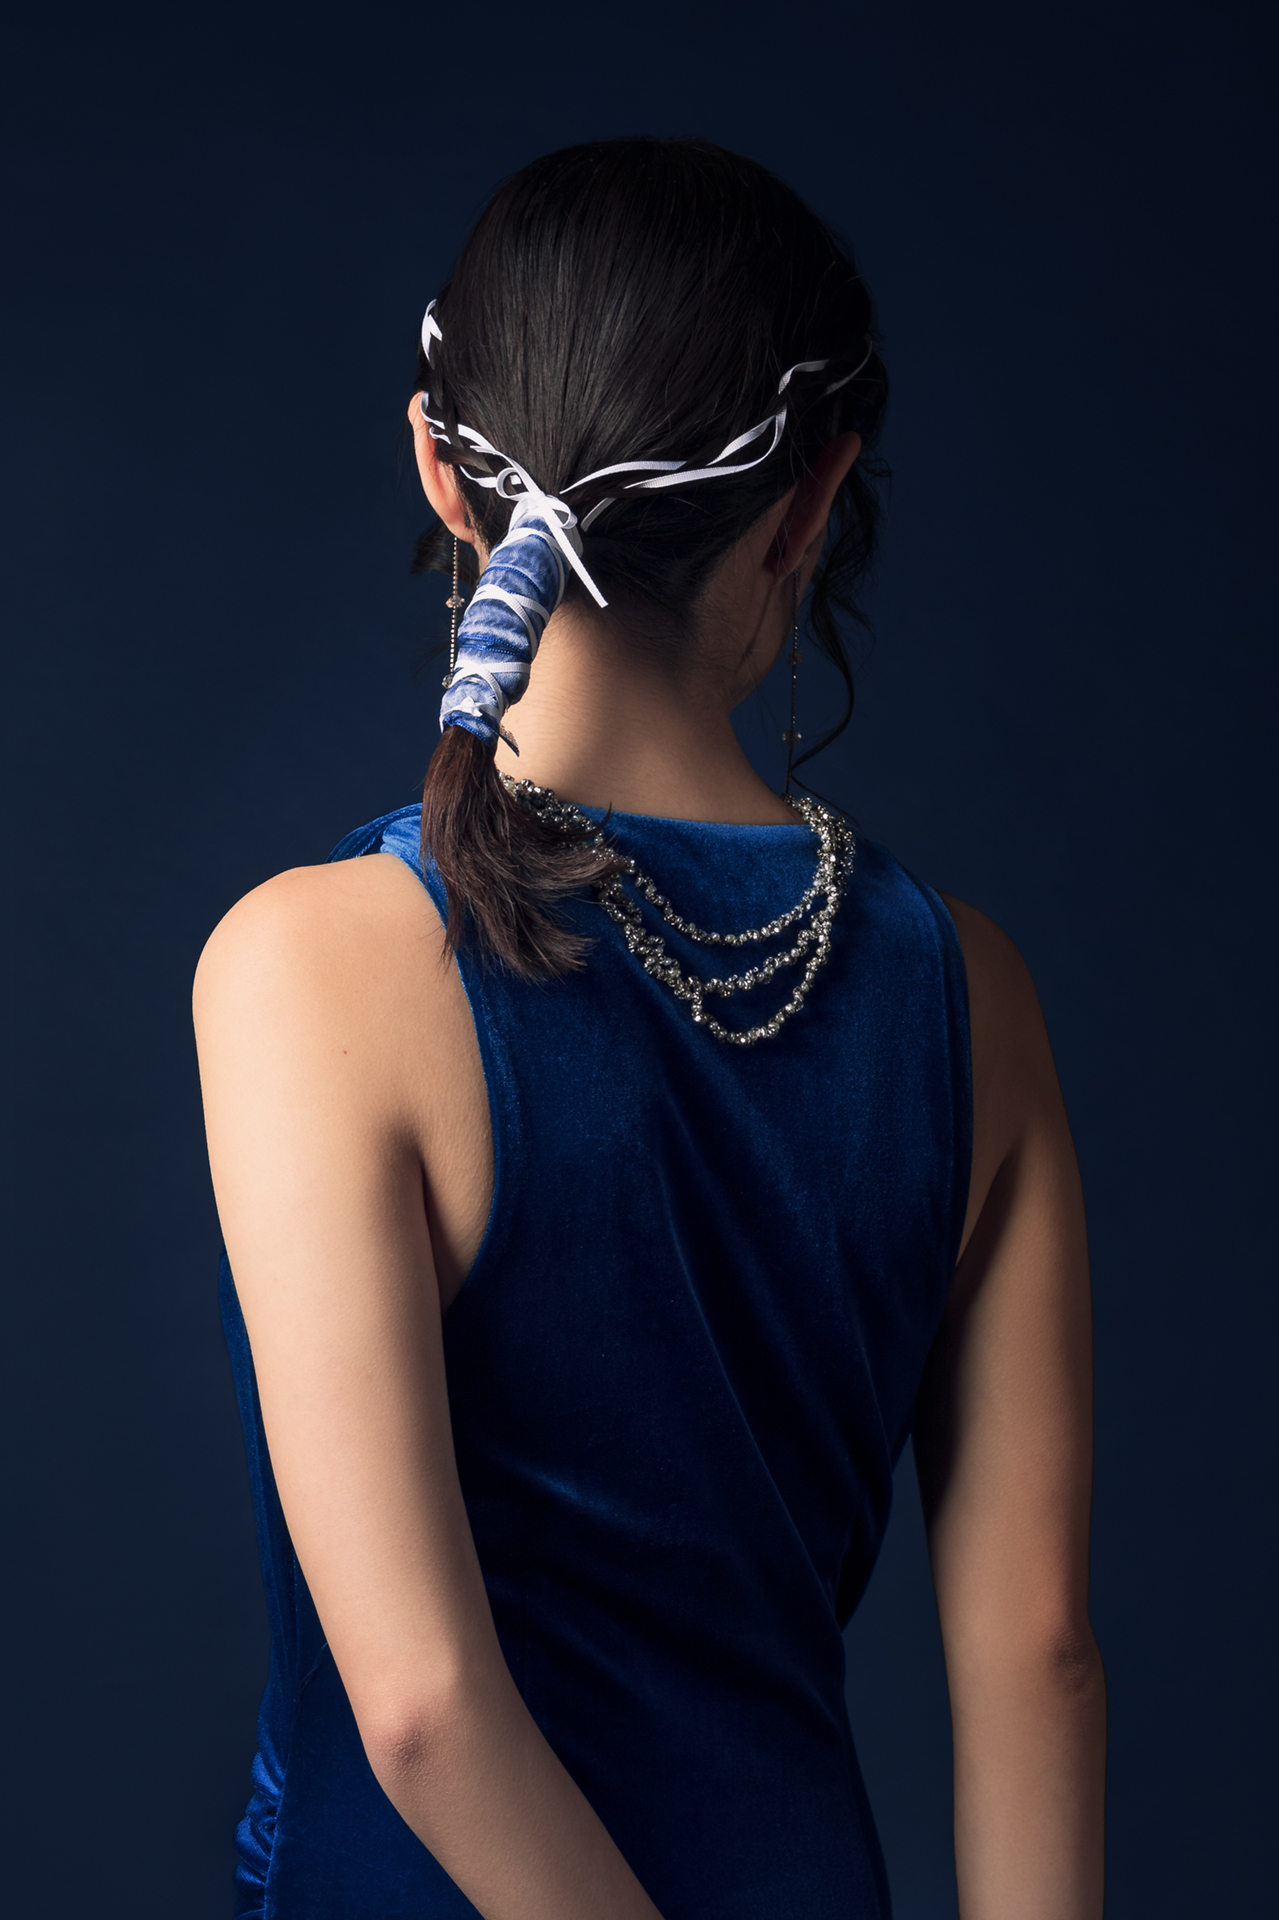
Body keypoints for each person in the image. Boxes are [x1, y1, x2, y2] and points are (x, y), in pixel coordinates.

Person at [194, 136, 1106, 1920]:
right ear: (811, 499)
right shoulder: (969, 993)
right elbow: (1039, 1650)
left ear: (440, 465)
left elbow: (425, 1710)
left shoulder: (309, 965)